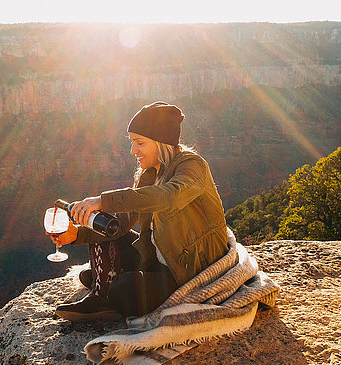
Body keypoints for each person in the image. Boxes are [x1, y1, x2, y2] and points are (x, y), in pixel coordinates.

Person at [50, 101, 229, 321]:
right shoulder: (148, 174)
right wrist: (76, 234)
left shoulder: (192, 166)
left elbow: (170, 197)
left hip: (184, 267)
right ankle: (101, 292)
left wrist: (104, 201)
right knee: (105, 226)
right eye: (132, 142)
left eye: (140, 143)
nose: (133, 150)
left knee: (123, 290)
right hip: (155, 256)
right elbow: (121, 225)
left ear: (161, 142)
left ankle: (109, 285)